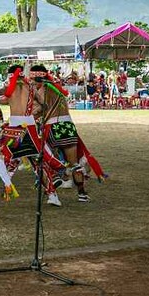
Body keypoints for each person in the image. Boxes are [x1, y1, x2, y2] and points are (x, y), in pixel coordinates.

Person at [0, 65, 68, 207]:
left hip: (14, 128)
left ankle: (56, 172)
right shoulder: (31, 87)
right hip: (29, 126)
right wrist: (35, 111)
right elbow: (43, 105)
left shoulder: (9, 89)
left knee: (10, 156)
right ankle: (52, 193)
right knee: (35, 162)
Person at [34, 65, 106, 202]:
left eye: (33, 80)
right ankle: (82, 194)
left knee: (45, 160)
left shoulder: (43, 90)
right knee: (75, 164)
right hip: (68, 126)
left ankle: (56, 179)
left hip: (53, 127)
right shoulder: (58, 88)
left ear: (37, 78)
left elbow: (40, 109)